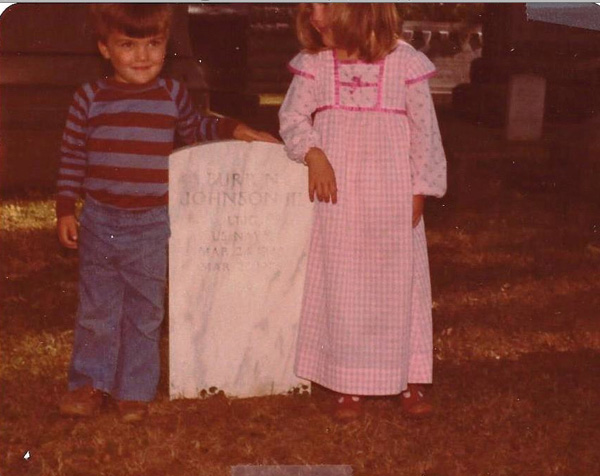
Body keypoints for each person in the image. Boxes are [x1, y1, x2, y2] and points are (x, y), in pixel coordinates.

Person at [56, 4, 277, 423]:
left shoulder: (171, 95)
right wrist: (66, 208)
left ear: (165, 45)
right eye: (128, 45)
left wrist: (233, 128)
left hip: (151, 223)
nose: (142, 56)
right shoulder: (90, 98)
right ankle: (90, 384)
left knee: (145, 310)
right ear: (105, 48)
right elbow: (71, 157)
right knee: (98, 309)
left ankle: (133, 390)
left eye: (153, 43)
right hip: (100, 221)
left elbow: (196, 128)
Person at [279, 4, 446, 421]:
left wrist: (420, 188)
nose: (315, 15)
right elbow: (292, 117)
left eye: (325, 5)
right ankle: (347, 379)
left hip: (392, 192)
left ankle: (408, 375)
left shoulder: (404, 63)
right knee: (344, 283)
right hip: (339, 198)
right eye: (310, 7)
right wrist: (313, 153)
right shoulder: (316, 64)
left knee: (398, 283)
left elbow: (425, 132)